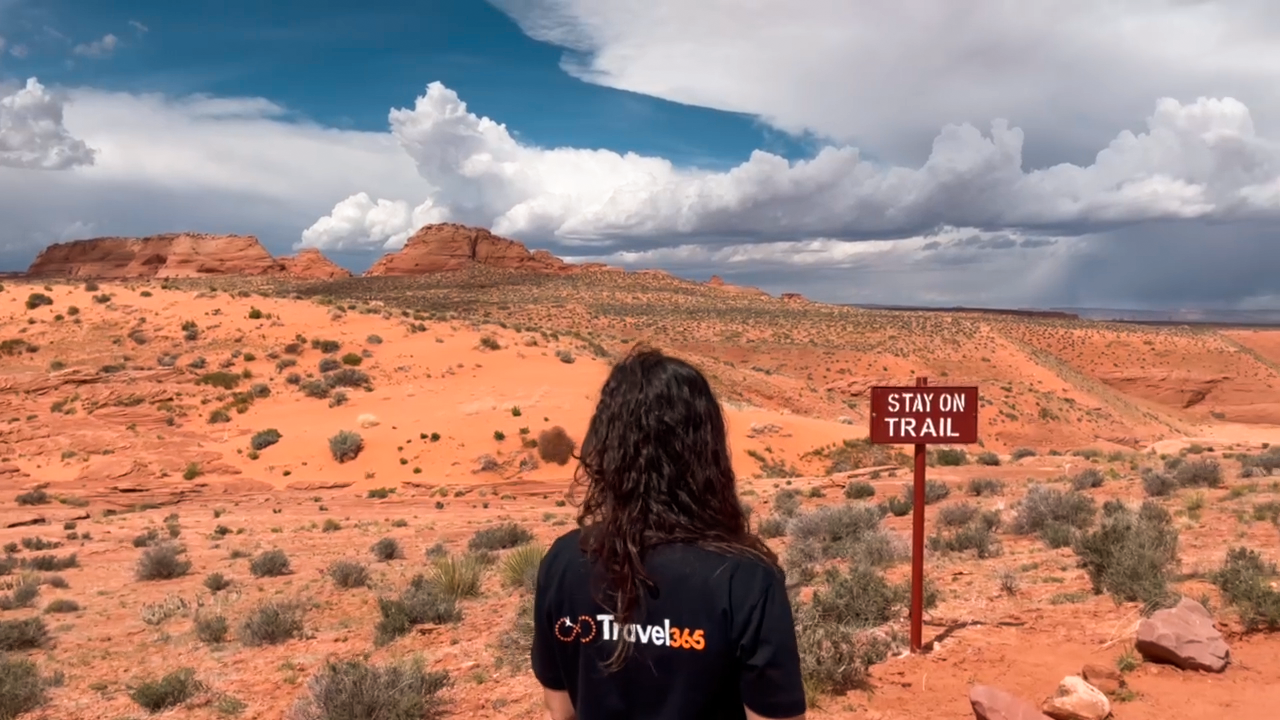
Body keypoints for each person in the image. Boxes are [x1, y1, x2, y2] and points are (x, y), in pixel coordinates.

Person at [531, 346, 806, 720]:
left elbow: (559, 710)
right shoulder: (745, 579)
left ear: (608, 443)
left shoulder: (562, 562)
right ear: (706, 449)